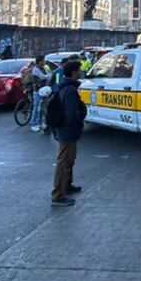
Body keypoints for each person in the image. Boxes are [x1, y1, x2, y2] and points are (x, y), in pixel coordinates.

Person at [51, 60, 87, 207]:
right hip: (68, 130)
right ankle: (58, 194)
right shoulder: (70, 90)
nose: (81, 72)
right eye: (79, 69)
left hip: (64, 128)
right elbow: (72, 113)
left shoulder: (64, 87)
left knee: (69, 158)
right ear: (73, 72)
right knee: (65, 159)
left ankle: (67, 185)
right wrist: (79, 123)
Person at [29, 55, 52, 133]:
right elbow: (43, 77)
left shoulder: (44, 68)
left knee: (42, 108)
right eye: (44, 60)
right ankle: (34, 124)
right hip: (37, 91)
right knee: (36, 107)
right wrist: (49, 76)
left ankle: (39, 123)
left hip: (43, 90)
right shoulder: (36, 69)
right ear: (40, 61)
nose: (45, 61)